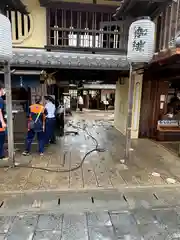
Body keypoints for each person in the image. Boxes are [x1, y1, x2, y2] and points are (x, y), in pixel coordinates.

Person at [0, 83, 8, 160]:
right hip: (0, 124)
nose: (5, 91)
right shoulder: (0, 100)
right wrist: (3, 122)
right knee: (1, 137)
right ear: (1, 89)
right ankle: (1, 156)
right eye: (4, 89)